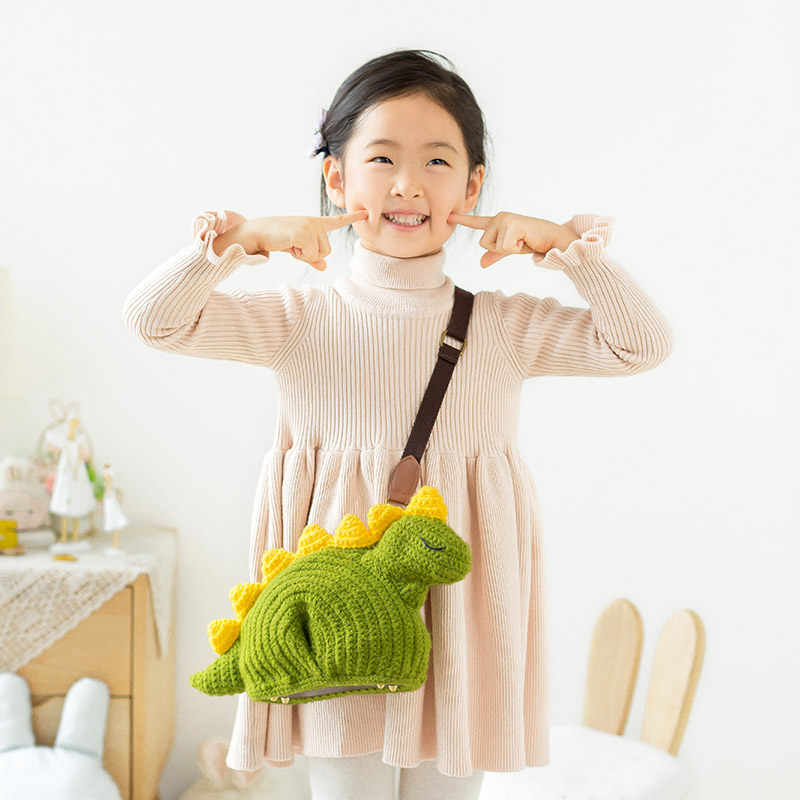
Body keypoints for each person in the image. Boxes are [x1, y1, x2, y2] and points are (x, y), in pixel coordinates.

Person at [122, 48, 673, 800]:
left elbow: (641, 344)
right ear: (337, 178)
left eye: (438, 161)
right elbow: (154, 321)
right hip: (337, 610)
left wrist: (564, 250)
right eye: (382, 157)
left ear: (472, 187)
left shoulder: (503, 326)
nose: (409, 183)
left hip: (460, 616)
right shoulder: (303, 318)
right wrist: (242, 243)